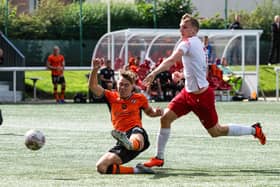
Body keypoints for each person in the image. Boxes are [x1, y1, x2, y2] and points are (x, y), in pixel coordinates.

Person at [142, 13, 266, 168]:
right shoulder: (196, 43)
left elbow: (172, 59)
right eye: (180, 27)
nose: (181, 30)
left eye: (185, 27)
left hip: (202, 98)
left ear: (194, 30)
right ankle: (159, 158)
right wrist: (182, 75)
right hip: (187, 94)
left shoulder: (187, 43)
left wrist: (154, 73)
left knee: (216, 131)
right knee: (165, 118)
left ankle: (254, 130)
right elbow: (199, 69)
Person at [89, 58, 163, 174]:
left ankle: (130, 143)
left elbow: (149, 112)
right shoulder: (111, 96)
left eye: (126, 85)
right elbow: (93, 87)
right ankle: (137, 170)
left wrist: (156, 112)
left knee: (135, 134)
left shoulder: (139, 98)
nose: (122, 88)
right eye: (120, 84)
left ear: (133, 86)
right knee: (101, 167)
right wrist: (95, 69)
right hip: (121, 140)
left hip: (136, 133)